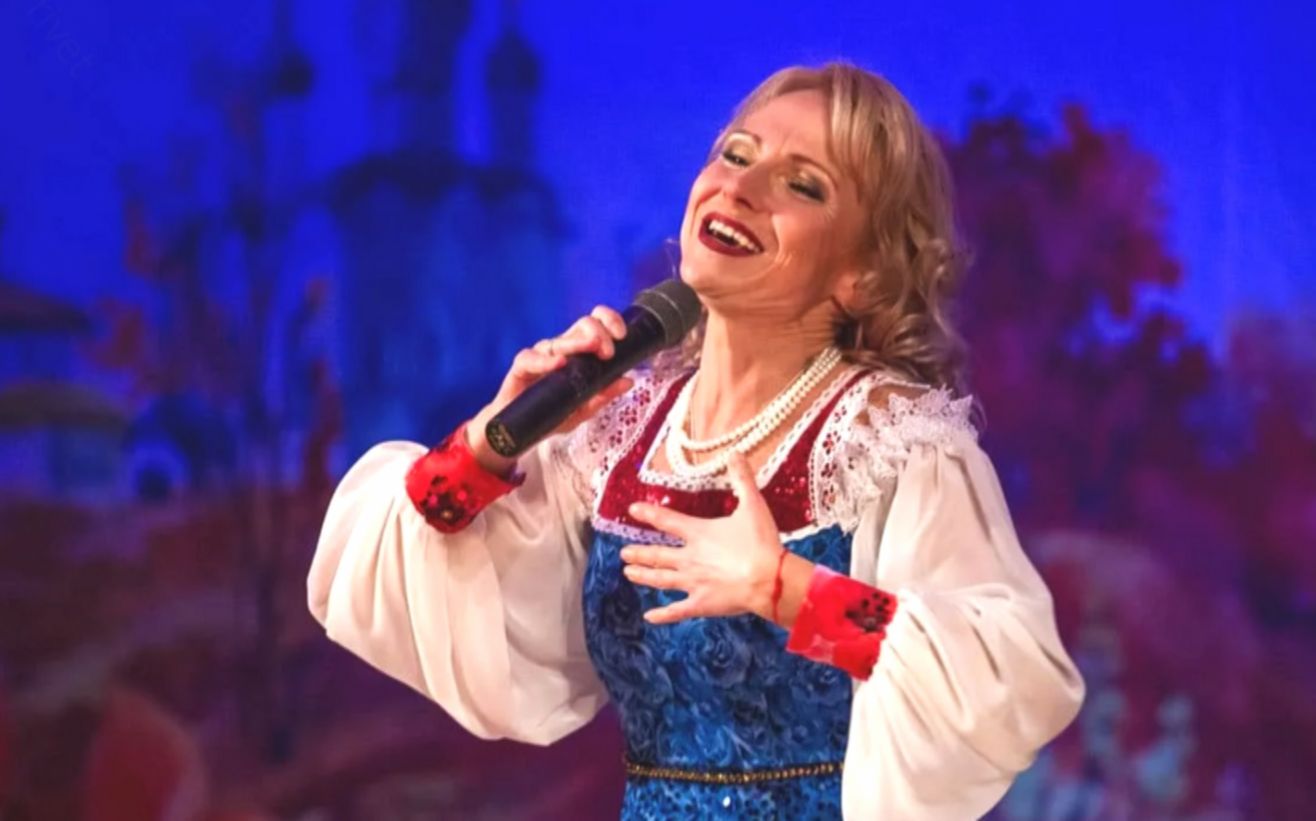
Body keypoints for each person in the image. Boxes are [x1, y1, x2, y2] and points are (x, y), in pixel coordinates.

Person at [308, 62, 1084, 819]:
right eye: (736, 155)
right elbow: (433, 589)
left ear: (863, 275)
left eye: (802, 185)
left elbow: (1006, 678)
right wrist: (490, 442)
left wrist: (789, 589)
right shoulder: (618, 433)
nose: (740, 188)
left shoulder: (889, 443)